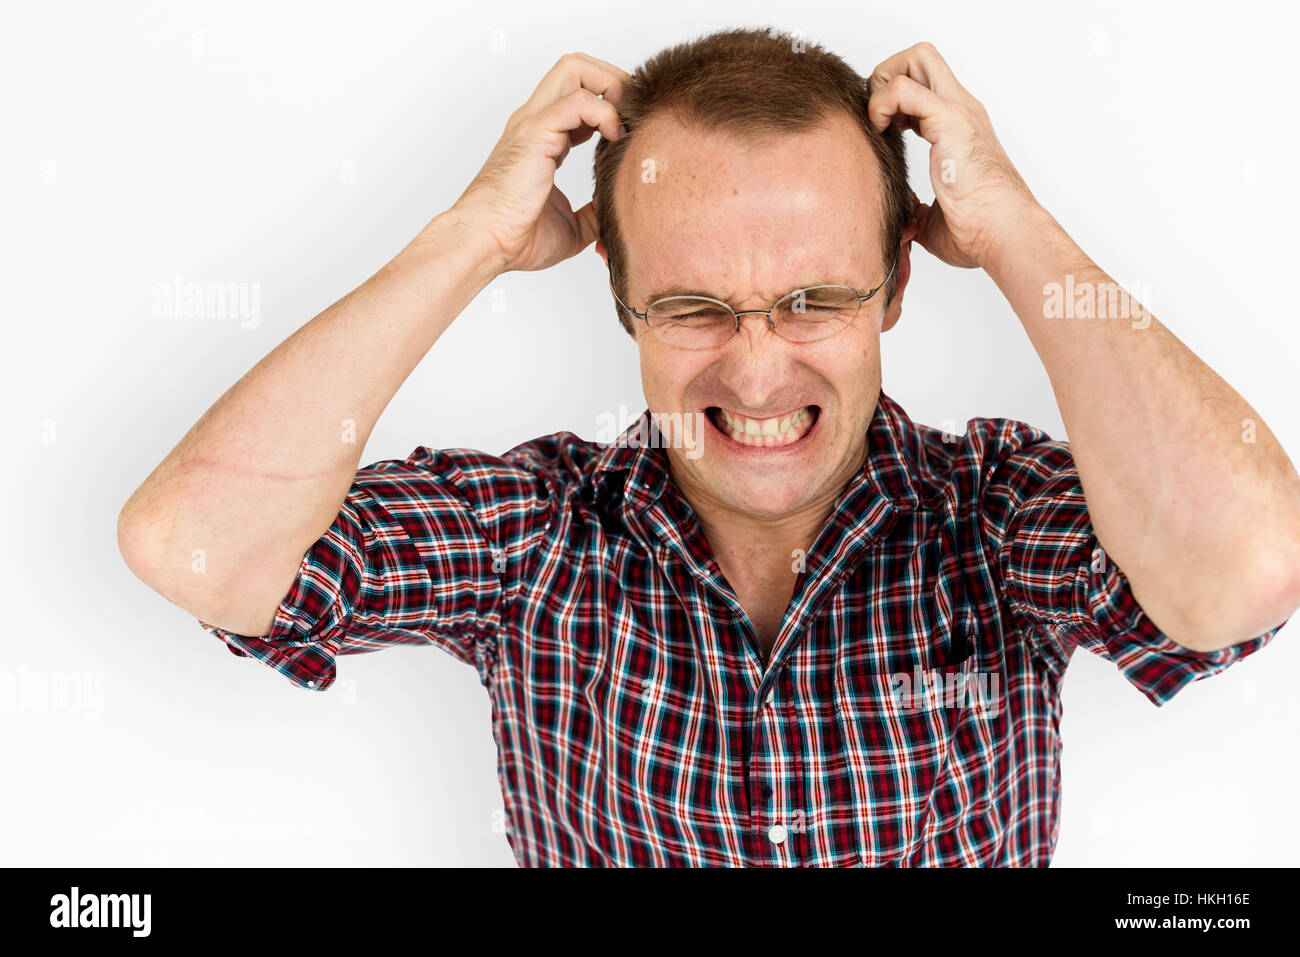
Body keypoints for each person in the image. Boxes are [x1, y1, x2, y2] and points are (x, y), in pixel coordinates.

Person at [117, 28, 1300, 866]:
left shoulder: (992, 514)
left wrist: (1015, 232)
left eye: (812, 298)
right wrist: (467, 239)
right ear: (620, 299)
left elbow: (1243, 567)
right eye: (692, 307)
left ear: (894, 285)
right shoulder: (533, 535)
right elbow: (196, 544)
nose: (754, 369)